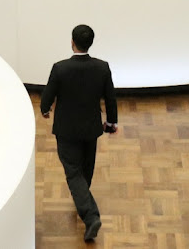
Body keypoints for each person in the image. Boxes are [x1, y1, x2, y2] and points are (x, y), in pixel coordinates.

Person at [40, 25, 117, 243]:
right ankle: (83, 198)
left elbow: (48, 95)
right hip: (91, 128)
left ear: (72, 42)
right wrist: (111, 123)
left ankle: (90, 215)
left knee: (74, 173)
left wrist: (45, 110)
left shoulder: (60, 68)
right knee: (86, 168)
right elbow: (110, 98)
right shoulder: (102, 68)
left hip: (66, 130)